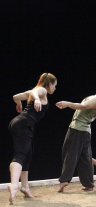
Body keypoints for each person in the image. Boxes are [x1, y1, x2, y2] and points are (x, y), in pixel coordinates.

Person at [56, 69, 96, 192]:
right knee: (85, 157)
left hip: (77, 130)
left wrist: (67, 104)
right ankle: (89, 184)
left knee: (70, 153)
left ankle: (64, 180)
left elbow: (83, 106)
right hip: (85, 131)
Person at [8, 73, 57, 204]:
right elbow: (37, 91)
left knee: (28, 155)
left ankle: (25, 187)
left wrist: (18, 102)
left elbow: (15, 97)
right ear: (50, 84)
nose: (55, 89)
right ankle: (14, 185)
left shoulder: (32, 92)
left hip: (18, 123)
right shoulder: (42, 90)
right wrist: (35, 99)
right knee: (20, 155)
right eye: (55, 86)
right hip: (24, 124)